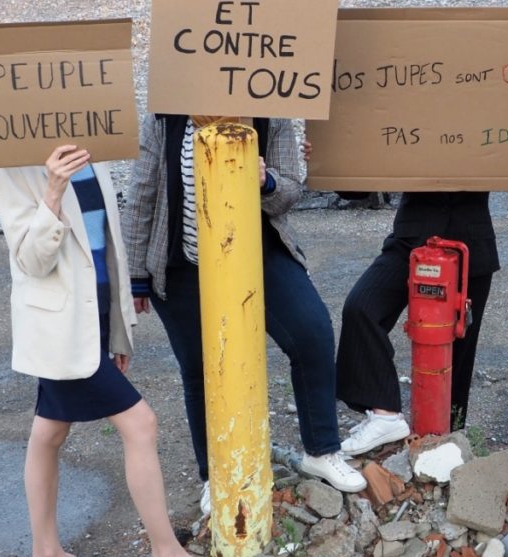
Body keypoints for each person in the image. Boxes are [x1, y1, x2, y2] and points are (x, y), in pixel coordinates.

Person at [0, 145, 229, 557]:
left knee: (50, 431)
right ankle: (167, 555)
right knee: (140, 423)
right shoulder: (13, 159)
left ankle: (46, 555)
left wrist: (117, 329)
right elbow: (30, 259)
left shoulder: (91, 144)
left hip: (93, 319)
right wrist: (53, 190)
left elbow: (105, 246)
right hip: (59, 328)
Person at [122, 115, 367, 512]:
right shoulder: (164, 119)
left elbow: (291, 191)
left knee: (312, 333)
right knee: (200, 369)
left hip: (258, 253)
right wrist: (135, 276)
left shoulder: (270, 111)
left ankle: (321, 450)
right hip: (184, 265)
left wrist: (265, 181)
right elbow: (141, 195)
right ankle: (215, 476)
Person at [331, 184, 500, 455]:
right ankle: (385, 415)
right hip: (411, 241)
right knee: (361, 308)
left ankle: (449, 443)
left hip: (471, 245)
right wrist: (332, 167)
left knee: (458, 354)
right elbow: (354, 186)